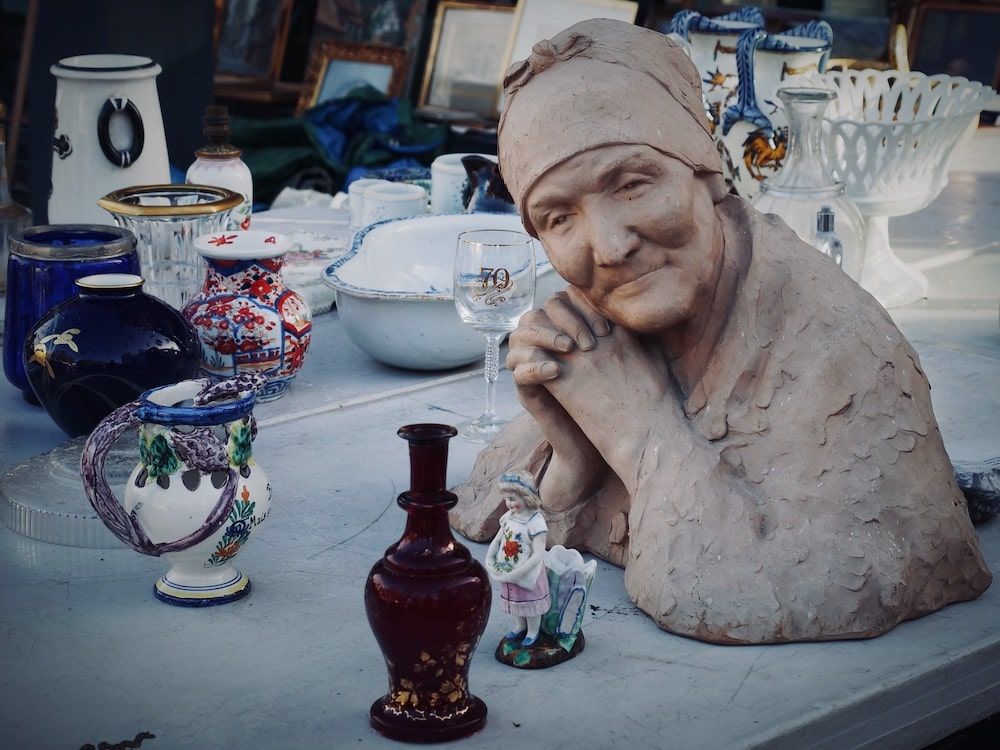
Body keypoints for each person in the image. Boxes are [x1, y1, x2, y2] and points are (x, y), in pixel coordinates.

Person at [451, 19, 991, 644]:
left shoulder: (837, 346)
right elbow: (482, 512)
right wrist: (573, 456)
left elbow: (758, 594)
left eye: (631, 184)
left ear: (706, 171)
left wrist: (638, 432)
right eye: (558, 217)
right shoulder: (607, 324)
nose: (610, 246)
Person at [484, 470, 550, 646]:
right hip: (509, 569)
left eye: (512, 499)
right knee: (516, 602)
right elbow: (498, 539)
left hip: (528, 572)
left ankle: (533, 631)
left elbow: (538, 554)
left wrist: (520, 572)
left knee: (530, 605)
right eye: (506, 499)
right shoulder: (509, 517)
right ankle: (520, 626)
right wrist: (490, 557)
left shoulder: (536, 522)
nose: (508, 503)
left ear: (526, 496)